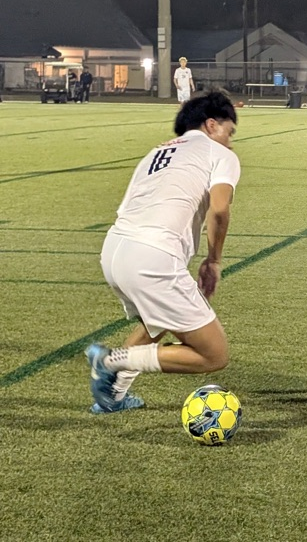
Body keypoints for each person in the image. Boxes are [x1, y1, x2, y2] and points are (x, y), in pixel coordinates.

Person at [84, 90, 241, 413]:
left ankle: (112, 396)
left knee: (159, 320)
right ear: (211, 125)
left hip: (114, 250)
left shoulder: (156, 153)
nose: (230, 142)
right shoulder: (218, 153)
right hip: (152, 256)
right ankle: (111, 360)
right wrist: (213, 261)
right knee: (213, 355)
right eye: (230, 131)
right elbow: (220, 209)